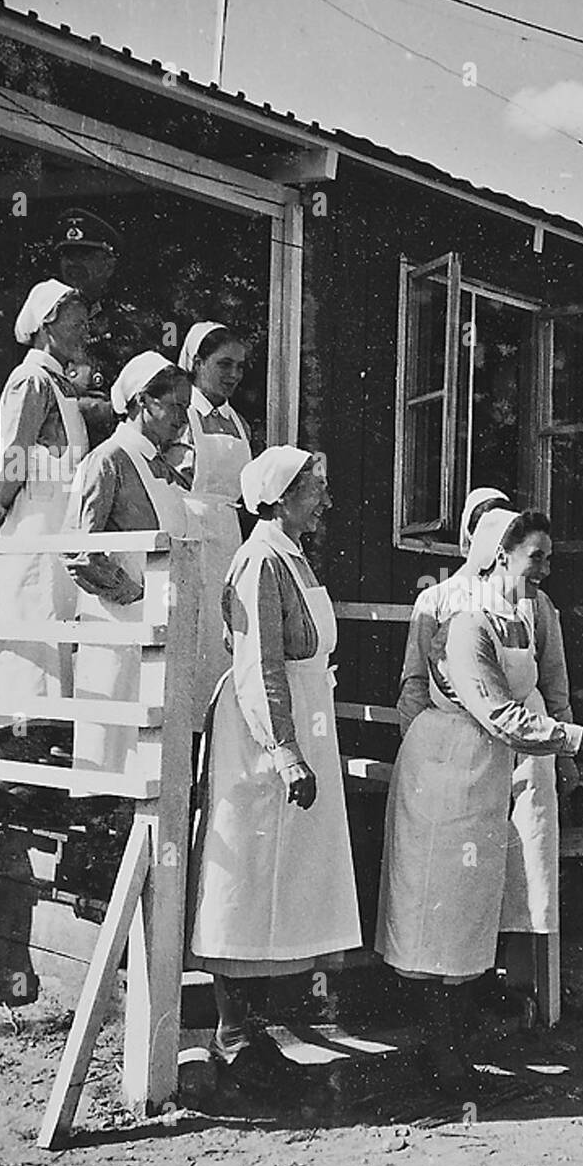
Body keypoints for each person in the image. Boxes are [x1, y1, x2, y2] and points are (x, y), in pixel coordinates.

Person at [377, 508, 583, 1092]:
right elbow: (500, 713)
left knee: (471, 909)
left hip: (485, 771)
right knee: (439, 910)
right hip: (444, 771)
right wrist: (576, 740)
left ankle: (455, 1050)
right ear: (501, 555)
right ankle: (443, 1058)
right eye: (537, 556)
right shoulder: (467, 624)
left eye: (549, 557)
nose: (546, 568)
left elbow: (536, 698)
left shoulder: (524, 619)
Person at [187, 447, 361, 1094]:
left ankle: (253, 1037)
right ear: (282, 495)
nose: (324, 499)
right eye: (314, 488)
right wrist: (283, 751)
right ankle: (234, 1040)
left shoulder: (289, 552)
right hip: (262, 735)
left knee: (282, 886)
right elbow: (259, 663)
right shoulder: (259, 559)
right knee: (250, 881)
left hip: (303, 717)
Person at [397, 489, 578, 994]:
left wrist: (564, 753)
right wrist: (421, 745)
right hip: (461, 751)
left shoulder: (532, 607)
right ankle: (459, 994)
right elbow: (414, 683)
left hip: (528, 746)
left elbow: (554, 683)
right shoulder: (440, 601)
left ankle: (522, 986)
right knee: (459, 873)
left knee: (525, 867)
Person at [61, 352, 193, 785]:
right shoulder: (107, 461)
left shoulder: (166, 469)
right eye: (174, 407)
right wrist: (131, 592)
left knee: (156, 758)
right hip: (120, 631)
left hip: (162, 633)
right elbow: (77, 548)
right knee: (114, 759)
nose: (181, 419)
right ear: (142, 402)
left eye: (186, 409)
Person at [0, 280, 91, 763]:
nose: (86, 331)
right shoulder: (30, 381)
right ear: (48, 322)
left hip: (59, 522)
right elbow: (13, 458)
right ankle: (20, 751)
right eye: (78, 322)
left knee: (58, 628)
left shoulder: (62, 384)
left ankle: (49, 741)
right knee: (32, 627)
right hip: (33, 523)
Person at [166, 321, 253, 730]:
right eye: (224, 364)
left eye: (240, 366)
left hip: (229, 538)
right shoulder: (181, 418)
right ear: (197, 363)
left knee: (223, 638)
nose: (234, 374)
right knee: (192, 636)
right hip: (188, 529)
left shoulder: (240, 424)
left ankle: (216, 740)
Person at [52, 209, 132, 449]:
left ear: (108, 265)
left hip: (104, 449)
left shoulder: (128, 325)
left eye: (84, 255)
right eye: (68, 255)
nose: (73, 264)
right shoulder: (42, 320)